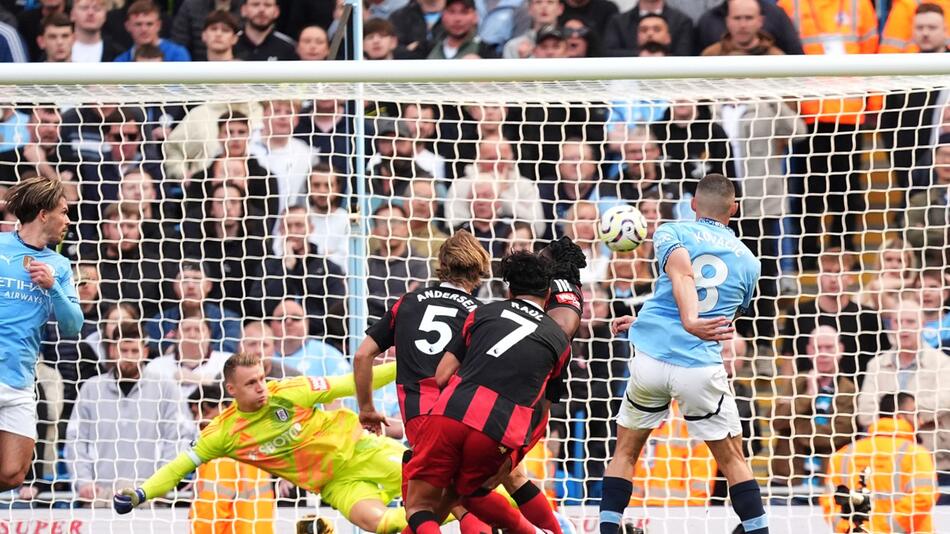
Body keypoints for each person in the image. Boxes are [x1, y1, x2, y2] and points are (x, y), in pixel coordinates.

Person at [604, 173, 767, 534]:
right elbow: (727, 316)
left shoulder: (671, 231)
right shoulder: (751, 262)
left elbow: (681, 274)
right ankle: (758, 529)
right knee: (732, 459)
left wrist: (666, 319)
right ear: (734, 208)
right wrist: (691, 322)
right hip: (699, 367)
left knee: (625, 452)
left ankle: (608, 528)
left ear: (692, 204)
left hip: (651, 361)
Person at [114, 353, 411, 534]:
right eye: (251, 383)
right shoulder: (223, 434)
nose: (261, 388)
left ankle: (458, 503)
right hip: (335, 484)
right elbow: (178, 467)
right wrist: (141, 493)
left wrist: (410, 363)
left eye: (261, 378)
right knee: (383, 525)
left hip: (363, 451)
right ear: (231, 390)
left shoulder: (288, 391)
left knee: (435, 487)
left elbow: (350, 382)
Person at [402, 251, 571, 534]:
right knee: (472, 493)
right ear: (549, 292)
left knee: (420, 507)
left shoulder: (483, 313)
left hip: (453, 412)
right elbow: (543, 408)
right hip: (500, 429)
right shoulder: (559, 340)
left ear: (509, 289)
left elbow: (442, 375)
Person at [0, 176, 82, 491]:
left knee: (13, 474)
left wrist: (53, 290)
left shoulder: (59, 266)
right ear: (44, 214)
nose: (68, 220)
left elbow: (73, 325)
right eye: (64, 211)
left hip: (20, 379)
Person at [821, 393, 937, 533]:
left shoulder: (844, 454)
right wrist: (885, 529)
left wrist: (853, 529)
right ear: (899, 415)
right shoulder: (916, 454)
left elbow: (830, 502)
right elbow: (923, 498)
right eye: (915, 413)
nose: (921, 421)